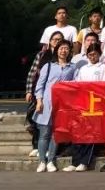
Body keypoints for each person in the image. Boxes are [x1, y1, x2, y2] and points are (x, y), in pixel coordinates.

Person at [64, 42, 105, 172]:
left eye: (95, 54)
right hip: (83, 103)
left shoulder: (103, 67)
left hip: (96, 104)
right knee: (78, 133)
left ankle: (84, 162)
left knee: (91, 135)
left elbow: (104, 85)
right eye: (90, 54)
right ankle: (75, 161)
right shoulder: (83, 69)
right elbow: (78, 85)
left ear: (99, 54)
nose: (92, 57)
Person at [33, 39, 74, 172]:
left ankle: (51, 160)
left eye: (66, 48)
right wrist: (39, 101)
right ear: (57, 50)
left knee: (55, 135)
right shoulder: (49, 66)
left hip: (62, 106)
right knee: (44, 133)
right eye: (61, 48)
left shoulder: (72, 67)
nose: (64, 50)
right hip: (47, 103)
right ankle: (42, 161)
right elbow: (40, 85)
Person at [25, 31, 63, 157]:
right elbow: (32, 73)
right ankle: (36, 145)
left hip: (56, 94)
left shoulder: (64, 55)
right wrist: (29, 91)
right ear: (50, 41)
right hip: (40, 91)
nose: (57, 42)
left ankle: (49, 149)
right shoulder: (42, 55)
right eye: (54, 39)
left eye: (59, 39)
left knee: (53, 123)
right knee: (35, 118)